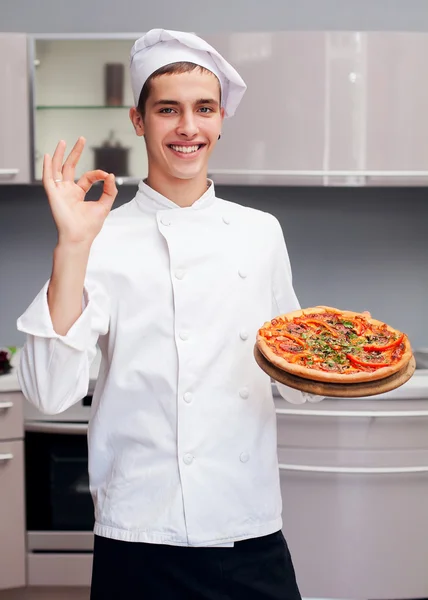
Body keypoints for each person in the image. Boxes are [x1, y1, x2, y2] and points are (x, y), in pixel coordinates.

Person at [17, 29, 326, 599]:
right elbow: (50, 391)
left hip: (248, 527)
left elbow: (299, 376)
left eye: (204, 108)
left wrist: (349, 364)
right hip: (139, 532)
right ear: (139, 121)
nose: (188, 127)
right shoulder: (99, 235)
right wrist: (71, 246)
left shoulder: (261, 233)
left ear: (221, 119)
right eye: (168, 110)